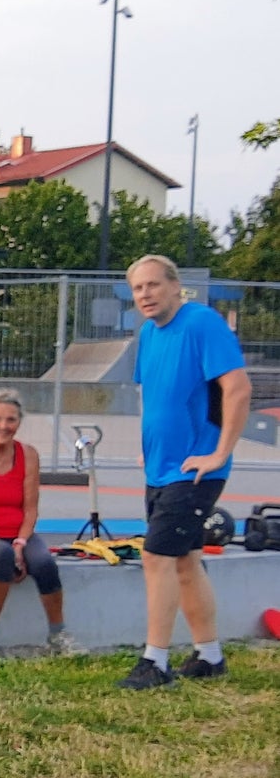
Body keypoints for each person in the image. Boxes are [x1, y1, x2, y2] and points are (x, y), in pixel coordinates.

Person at [117, 254, 251, 690]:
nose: (146, 295)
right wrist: (148, 450)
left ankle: (155, 662)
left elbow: (237, 388)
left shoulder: (201, 323)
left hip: (194, 469)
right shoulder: (148, 335)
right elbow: (152, 397)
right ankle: (209, 656)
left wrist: (220, 453)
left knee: (156, 555)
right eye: (138, 288)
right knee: (186, 562)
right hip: (160, 467)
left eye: (154, 285)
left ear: (176, 286)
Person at [0, 388, 80, 659]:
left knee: (45, 563)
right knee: (0, 555)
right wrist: (1, 545)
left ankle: (57, 634)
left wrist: (21, 543)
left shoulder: (29, 455)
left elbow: (31, 508)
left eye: (11, 420)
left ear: (19, 422)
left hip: (18, 535)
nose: (3, 426)